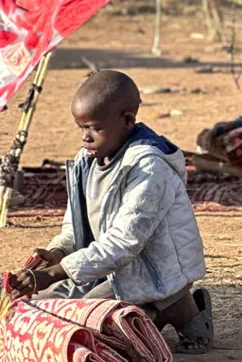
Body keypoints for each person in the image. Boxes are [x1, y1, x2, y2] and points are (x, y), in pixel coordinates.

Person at [5, 71, 212, 353]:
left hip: (152, 274)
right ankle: (163, 310)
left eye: (93, 128)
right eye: (80, 128)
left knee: (86, 330)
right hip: (108, 268)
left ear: (127, 120)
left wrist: (55, 273)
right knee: (33, 306)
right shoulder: (87, 161)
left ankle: (176, 306)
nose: (84, 137)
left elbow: (125, 242)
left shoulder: (149, 168)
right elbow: (75, 225)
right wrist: (56, 253)